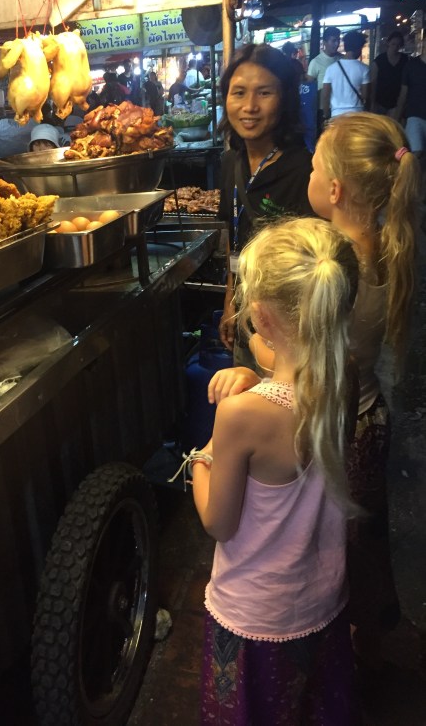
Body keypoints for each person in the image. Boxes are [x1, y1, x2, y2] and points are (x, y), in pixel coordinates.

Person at [212, 113, 419, 679]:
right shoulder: (386, 247)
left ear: (334, 189)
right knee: (353, 533)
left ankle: (338, 638)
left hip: (331, 410)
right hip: (365, 411)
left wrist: (258, 345)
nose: (307, 174)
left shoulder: (332, 266)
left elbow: (306, 354)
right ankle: (359, 645)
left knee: (327, 533)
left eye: (314, 168)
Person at [184, 216, 361, 724]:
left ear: (260, 317)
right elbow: (292, 381)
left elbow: (219, 523)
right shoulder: (346, 376)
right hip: (322, 603)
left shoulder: (243, 415)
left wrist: (200, 458)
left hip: (256, 616)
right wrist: (252, 374)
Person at [217, 43, 313, 369]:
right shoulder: (230, 162)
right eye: (239, 93)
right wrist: (231, 301)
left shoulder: (304, 171)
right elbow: (234, 238)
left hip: (289, 333)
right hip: (246, 320)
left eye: (264, 93)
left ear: (284, 98)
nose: (250, 107)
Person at [322, 30, 370, 119]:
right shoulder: (364, 69)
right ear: (358, 48)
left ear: (345, 46)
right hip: (357, 114)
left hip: (337, 115)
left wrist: (325, 114)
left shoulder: (330, 69)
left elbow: (325, 95)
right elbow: (365, 95)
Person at [395, 34, 426, 159]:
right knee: (414, 153)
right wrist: (397, 118)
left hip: (414, 114)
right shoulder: (411, 65)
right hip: (414, 115)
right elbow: (403, 93)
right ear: (423, 42)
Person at [306, 26, 342, 132]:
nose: (337, 44)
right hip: (323, 109)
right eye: (333, 40)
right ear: (325, 42)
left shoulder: (342, 59)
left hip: (340, 108)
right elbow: (309, 87)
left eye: (338, 40)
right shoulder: (316, 62)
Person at [370, 31, 407, 115]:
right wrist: (372, 103)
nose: (395, 47)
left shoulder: (405, 60)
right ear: (388, 43)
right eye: (393, 44)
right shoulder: (379, 60)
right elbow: (373, 82)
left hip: (397, 103)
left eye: (398, 45)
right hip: (380, 101)